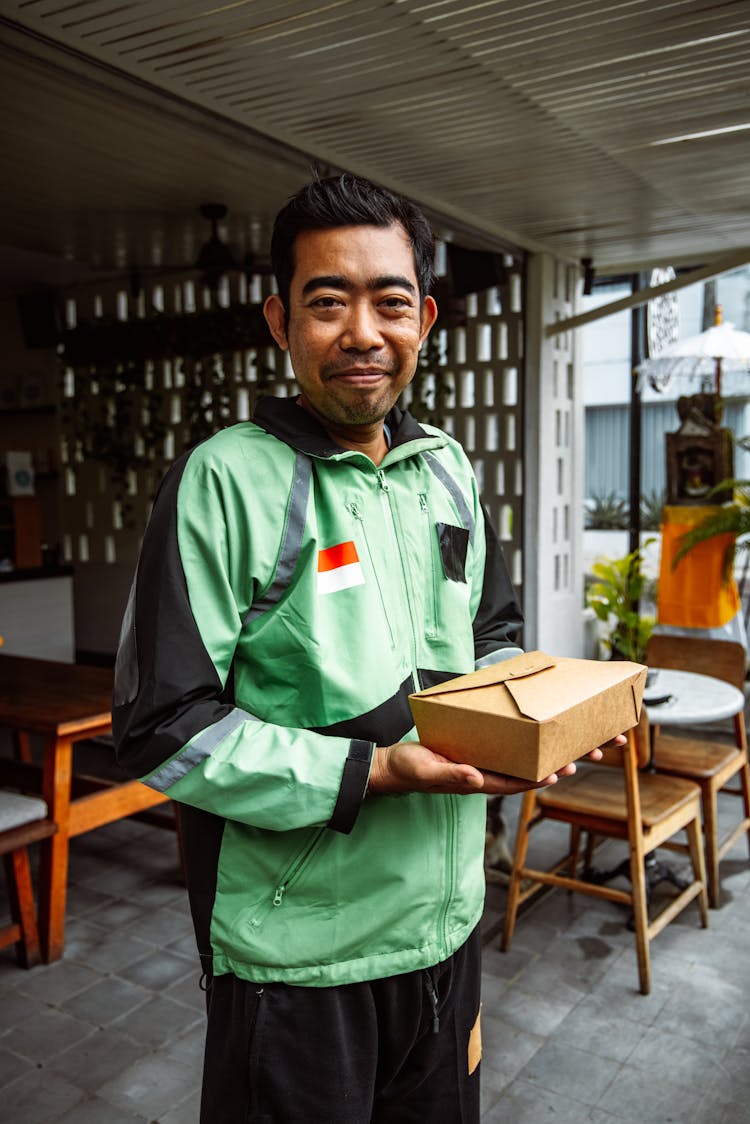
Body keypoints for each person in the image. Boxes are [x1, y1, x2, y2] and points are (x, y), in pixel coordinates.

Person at [112, 173, 605, 1123]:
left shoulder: (448, 470)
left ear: (424, 317)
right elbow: (163, 727)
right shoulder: (224, 480)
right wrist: (377, 770)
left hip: (447, 929)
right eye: (327, 302)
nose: (362, 333)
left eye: (388, 302)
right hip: (297, 958)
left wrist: (532, 727)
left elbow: (490, 639)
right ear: (279, 320)